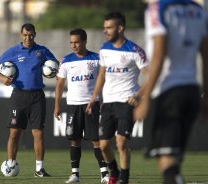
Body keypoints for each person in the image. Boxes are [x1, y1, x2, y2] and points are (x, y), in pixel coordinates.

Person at [134, 0, 208, 183]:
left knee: (167, 165)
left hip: (168, 92)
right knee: (172, 161)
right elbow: (206, 56)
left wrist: (145, 97)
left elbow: (159, 53)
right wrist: (205, 95)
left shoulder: (158, 8)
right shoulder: (198, 10)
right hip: (191, 90)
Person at [86, 12, 149, 184]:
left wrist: (138, 96)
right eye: (104, 27)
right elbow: (101, 75)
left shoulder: (135, 51)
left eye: (109, 27)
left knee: (121, 142)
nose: (105, 31)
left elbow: (150, 77)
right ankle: (113, 172)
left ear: (120, 28)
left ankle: (124, 178)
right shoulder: (104, 49)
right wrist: (93, 98)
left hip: (127, 103)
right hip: (108, 103)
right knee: (104, 145)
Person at [0, 23, 58, 177]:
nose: (28, 38)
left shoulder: (42, 51)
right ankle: (10, 164)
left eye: (31, 35)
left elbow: (55, 66)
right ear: (21, 35)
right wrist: (1, 77)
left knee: (38, 133)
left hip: (37, 96)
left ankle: (39, 169)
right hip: (19, 96)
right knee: (15, 133)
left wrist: (53, 70)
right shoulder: (13, 51)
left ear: (35, 34)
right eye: (25, 35)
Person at [54, 28, 110, 183]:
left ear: (85, 41)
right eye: (71, 42)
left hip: (91, 104)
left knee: (96, 140)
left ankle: (104, 174)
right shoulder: (66, 61)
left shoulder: (96, 59)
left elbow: (105, 79)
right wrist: (57, 105)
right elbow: (59, 84)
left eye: (77, 42)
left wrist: (104, 99)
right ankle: (75, 175)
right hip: (73, 105)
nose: (74, 45)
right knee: (75, 139)